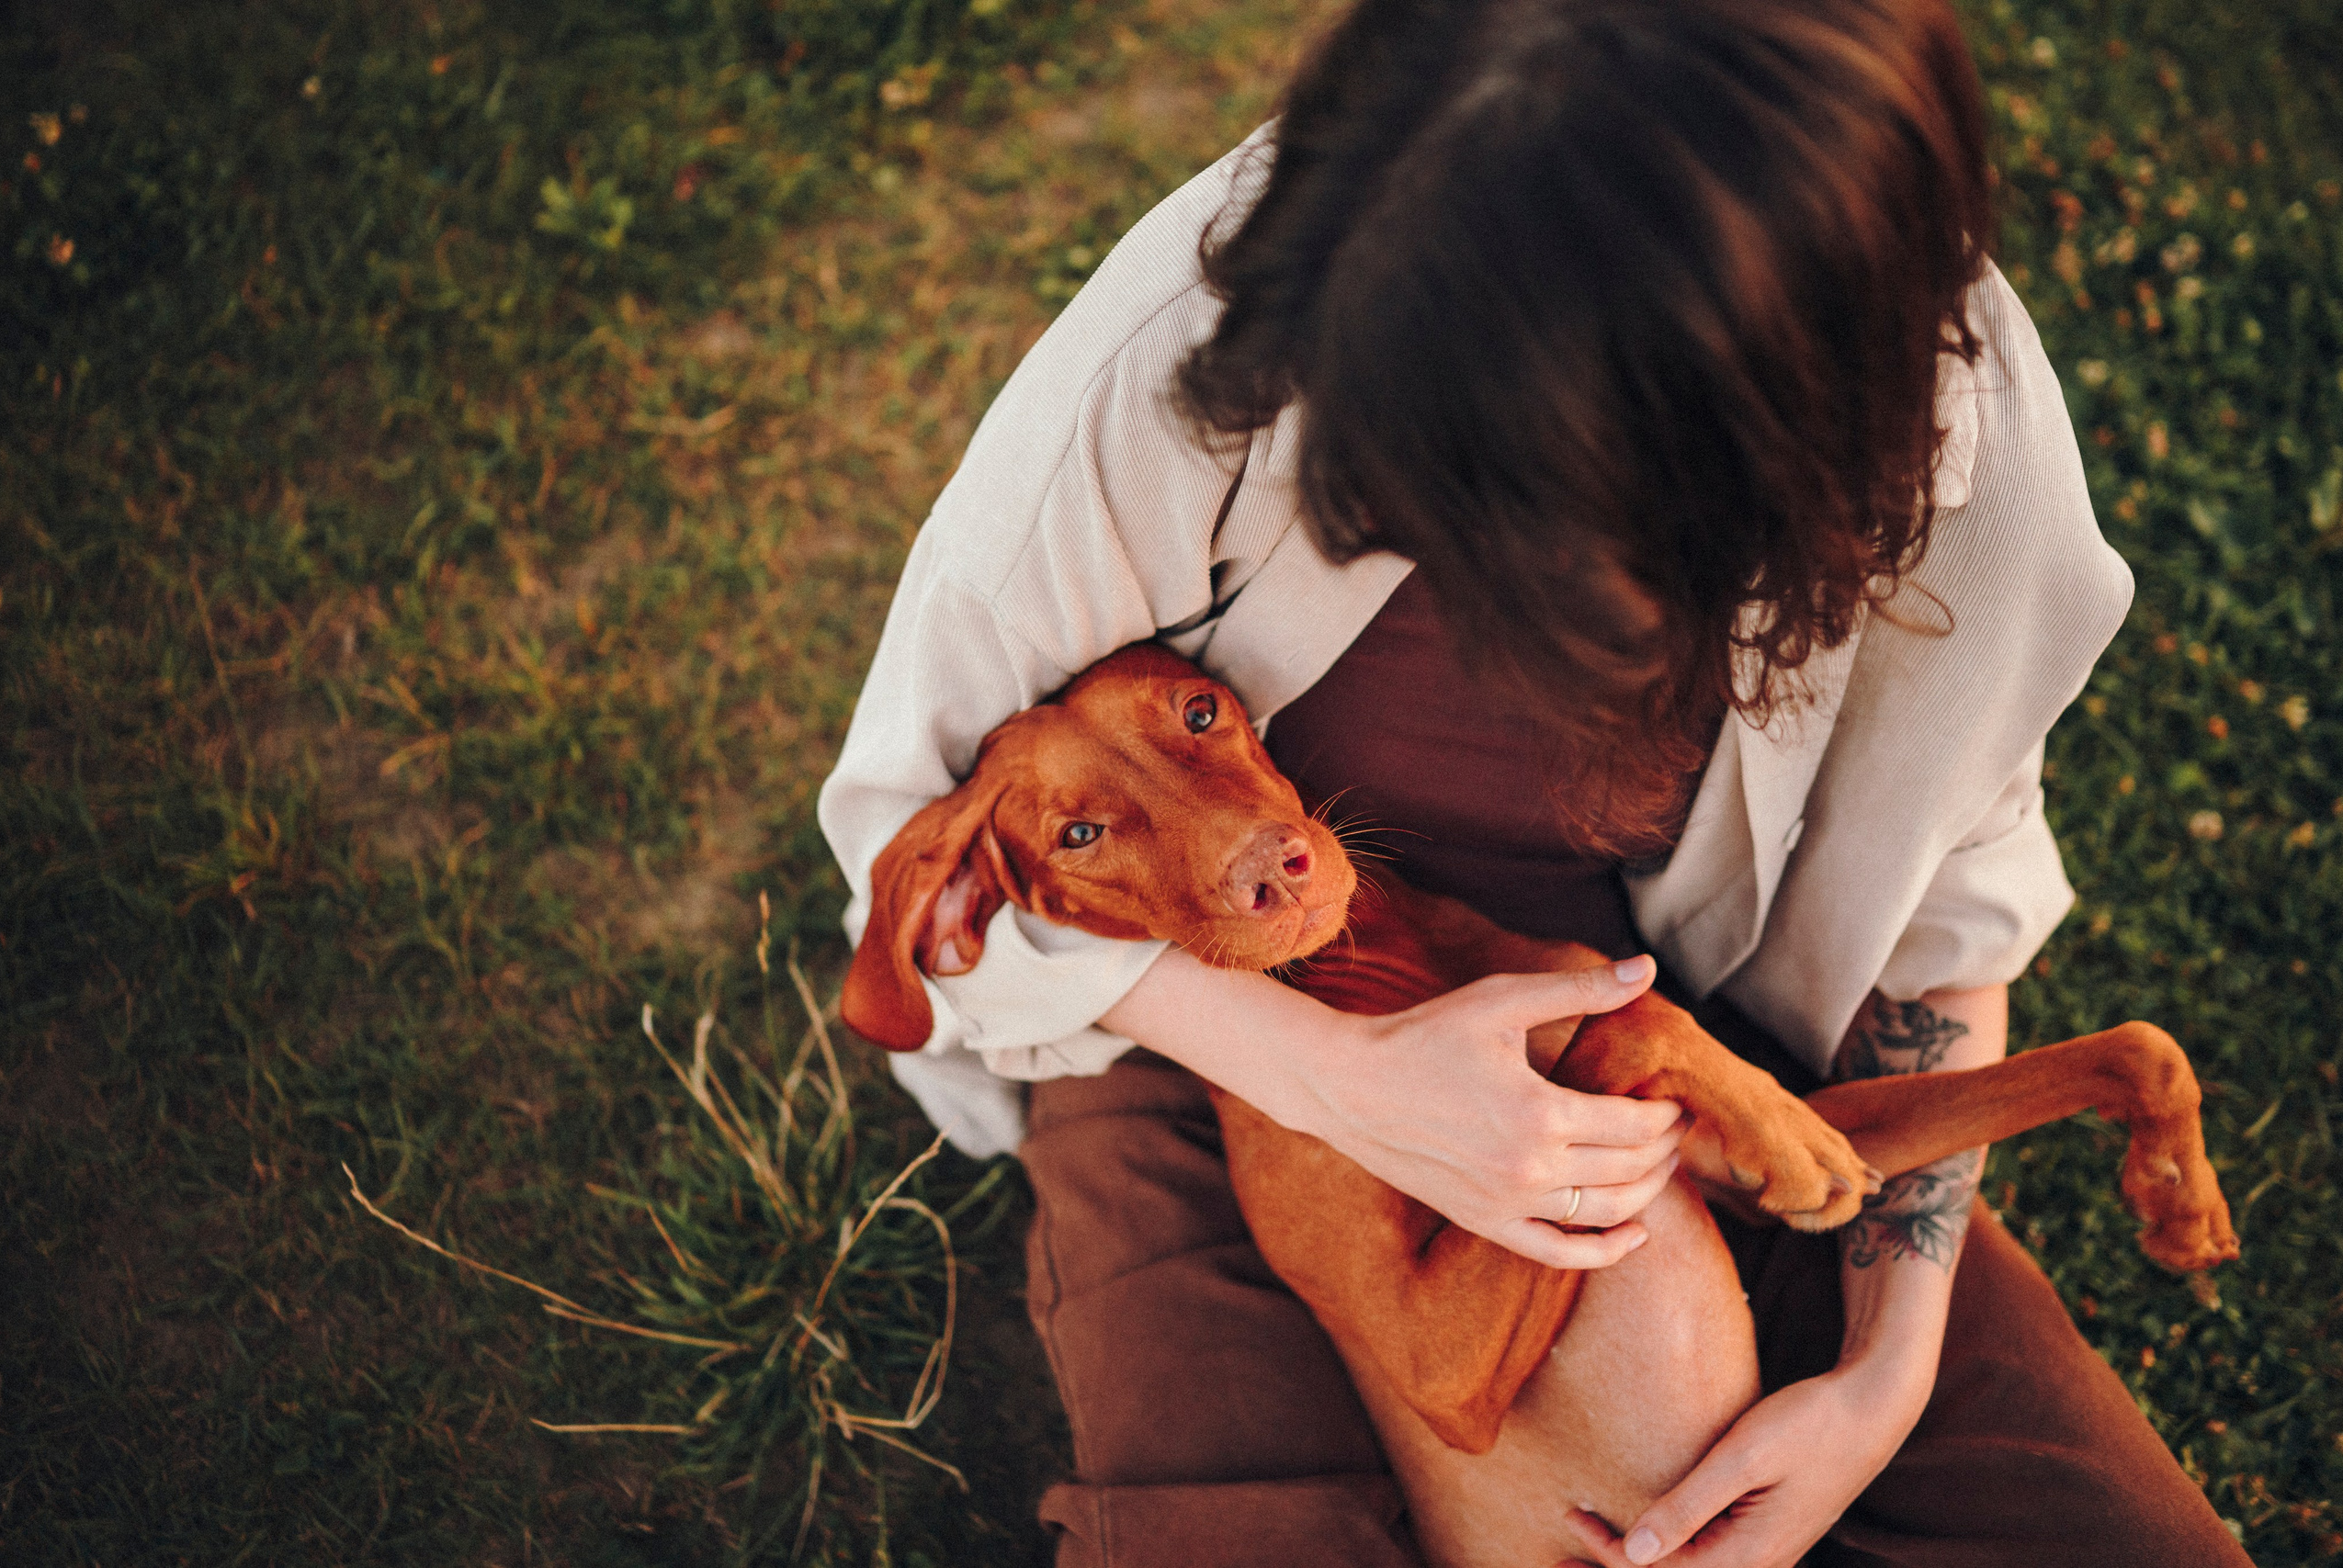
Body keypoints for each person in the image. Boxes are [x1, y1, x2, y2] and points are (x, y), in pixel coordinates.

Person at [818, 0, 2252, 1562]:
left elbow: (1943, 933)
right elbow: (906, 846)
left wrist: (1882, 1382)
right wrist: (1326, 1077)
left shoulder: (1963, 482)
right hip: (1182, 1046)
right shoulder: (1184, 359)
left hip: (1684, 1019)